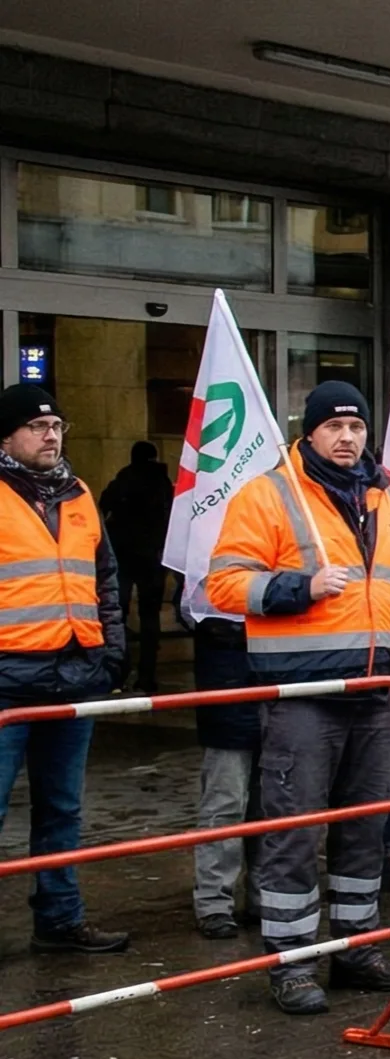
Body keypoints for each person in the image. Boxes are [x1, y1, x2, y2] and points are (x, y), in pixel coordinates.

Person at [206, 381, 390, 1013]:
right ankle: (292, 962)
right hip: (304, 694)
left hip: (378, 693)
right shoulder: (269, 494)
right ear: (310, 432)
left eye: (356, 427)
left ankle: (356, 947)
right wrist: (299, 588)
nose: (347, 437)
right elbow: (223, 585)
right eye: (334, 427)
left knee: (367, 828)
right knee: (295, 831)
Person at [0, 383, 130, 955]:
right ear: (7, 437)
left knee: (62, 809)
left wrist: (111, 653)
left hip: (74, 674)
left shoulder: (78, 494)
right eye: (37, 426)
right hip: (7, 679)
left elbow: (106, 580)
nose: (50, 435)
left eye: (56, 426)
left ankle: (59, 918)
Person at [183, 596, 258, 940]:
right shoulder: (211, 580)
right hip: (230, 683)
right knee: (226, 800)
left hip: (258, 683)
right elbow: (192, 611)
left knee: (270, 803)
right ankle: (215, 901)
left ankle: (255, 896)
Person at [98, 439, 173, 691]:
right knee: (150, 617)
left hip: (124, 554)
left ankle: (119, 673)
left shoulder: (125, 477)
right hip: (153, 557)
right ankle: (147, 676)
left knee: (118, 613)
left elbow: (104, 503)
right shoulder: (163, 483)